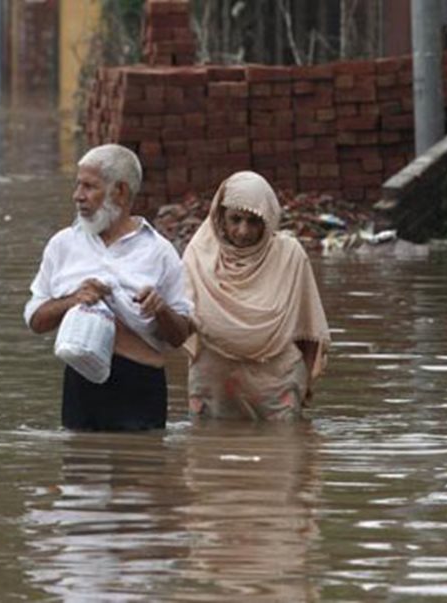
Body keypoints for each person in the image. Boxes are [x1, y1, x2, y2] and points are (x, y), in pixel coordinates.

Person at [24, 144, 194, 431]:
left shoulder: (159, 251)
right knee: (80, 466)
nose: (77, 196)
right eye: (78, 185)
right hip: (80, 386)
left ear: (120, 192)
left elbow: (180, 336)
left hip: (140, 385)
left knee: (141, 469)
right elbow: (35, 320)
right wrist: (72, 300)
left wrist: (160, 309)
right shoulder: (63, 244)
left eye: (89, 187)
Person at [181, 171, 331, 421]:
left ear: (269, 220)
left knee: (283, 453)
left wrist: (305, 382)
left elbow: (307, 326)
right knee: (207, 453)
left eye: (254, 221)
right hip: (214, 382)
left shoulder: (289, 255)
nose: (242, 231)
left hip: (276, 381)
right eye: (235, 219)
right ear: (220, 217)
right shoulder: (199, 255)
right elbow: (181, 322)